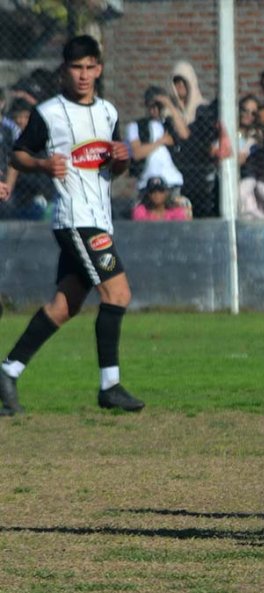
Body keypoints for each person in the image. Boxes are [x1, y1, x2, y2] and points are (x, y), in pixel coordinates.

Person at [0, 35, 145, 416]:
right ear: (65, 71)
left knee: (64, 306)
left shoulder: (109, 112)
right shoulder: (49, 113)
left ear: (99, 69)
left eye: (89, 67)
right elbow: (18, 154)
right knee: (118, 294)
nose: (83, 75)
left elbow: (115, 166)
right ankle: (109, 385)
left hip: (100, 218)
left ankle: (8, 370)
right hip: (75, 220)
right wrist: (44, 165)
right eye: (76, 68)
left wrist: (122, 158)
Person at [126, 85, 189, 196]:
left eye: (159, 106)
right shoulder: (136, 126)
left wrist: (169, 105)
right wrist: (160, 142)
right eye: (152, 106)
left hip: (172, 180)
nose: (155, 110)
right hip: (147, 183)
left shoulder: (169, 124)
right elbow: (136, 153)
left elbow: (184, 134)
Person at [170, 61, 207, 125]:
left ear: (191, 82)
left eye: (184, 81)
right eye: (177, 80)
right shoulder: (168, 110)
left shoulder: (204, 108)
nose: (181, 84)